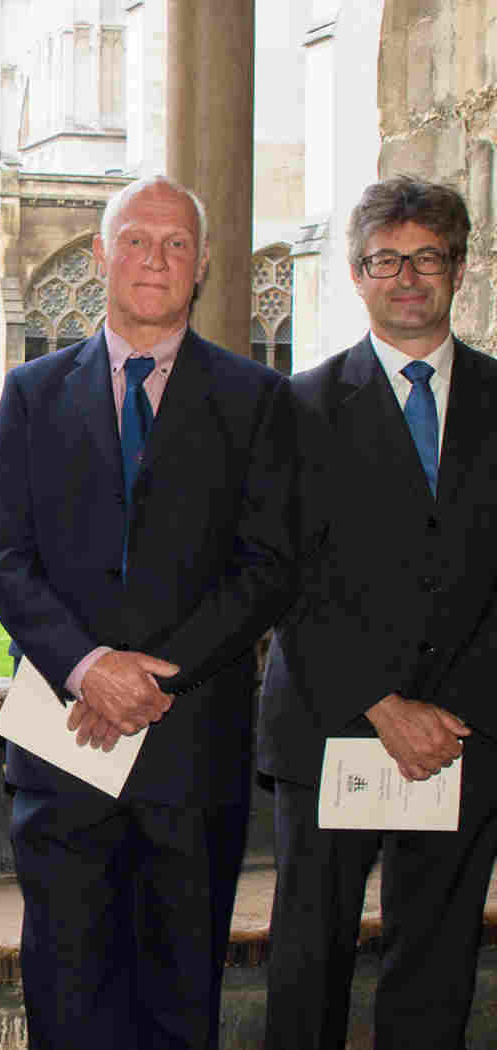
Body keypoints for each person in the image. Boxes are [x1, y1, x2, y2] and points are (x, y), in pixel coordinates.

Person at [0, 174, 294, 1049]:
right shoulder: (33, 392)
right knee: (66, 1001)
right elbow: (3, 559)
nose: (156, 259)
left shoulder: (256, 398)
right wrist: (89, 669)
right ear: (100, 256)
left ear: (202, 265)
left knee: (180, 1006)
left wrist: (149, 681)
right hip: (63, 745)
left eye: (177, 244)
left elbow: (267, 568)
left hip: (190, 752)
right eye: (137, 241)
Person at [260, 176, 497, 1050]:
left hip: (465, 733)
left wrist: (450, 711)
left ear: (459, 270)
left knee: (436, 966)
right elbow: (284, 579)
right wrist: (382, 703)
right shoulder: (300, 407)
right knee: (308, 961)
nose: (407, 278)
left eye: (427, 257)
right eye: (386, 260)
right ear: (357, 274)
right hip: (332, 724)